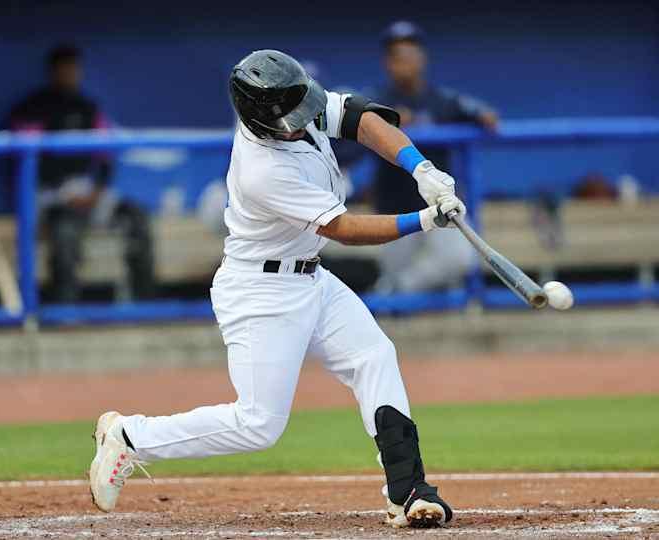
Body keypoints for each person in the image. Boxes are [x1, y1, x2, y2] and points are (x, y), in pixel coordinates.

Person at [88, 50, 464, 529]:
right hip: (260, 291)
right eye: (290, 119)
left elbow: (362, 120)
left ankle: (409, 490)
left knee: (374, 356)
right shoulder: (262, 169)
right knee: (258, 425)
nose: (302, 122)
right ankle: (130, 435)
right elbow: (344, 228)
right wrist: (424, 220)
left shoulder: (296, 101)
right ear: (260, 119)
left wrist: (420, 169)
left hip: (312, 278)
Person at [8, 44, 154, 302]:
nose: (70, 73)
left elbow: (106, 158)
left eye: (74, 68)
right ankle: (66, 309)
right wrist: (60, 193)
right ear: (53, 71)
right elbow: (23, 161)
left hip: (86, 191)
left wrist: (96, 192)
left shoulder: (88, 108)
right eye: (64, 68)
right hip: (50, 194)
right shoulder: (33, 107)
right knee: (64, 230)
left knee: (136, 216)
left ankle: (147, 302)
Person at [370, 21, 497, 293]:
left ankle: (394, 290)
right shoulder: (376, 100)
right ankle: (392, 299)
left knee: (460, 259)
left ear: (422, 58)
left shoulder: (441, 100)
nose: (404, 63)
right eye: (396, 56)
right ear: (387, 63)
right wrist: (389, 120)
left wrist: (483, 116)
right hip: (396, 206)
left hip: (440, 201)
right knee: (396, 269)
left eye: (410, 54)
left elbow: (485, 115)